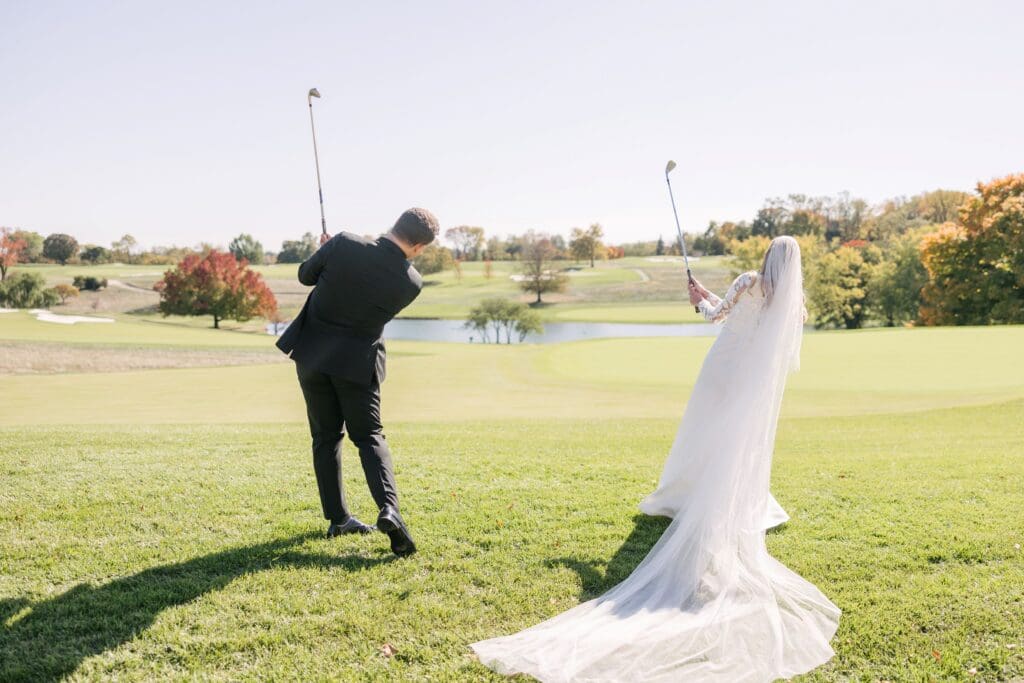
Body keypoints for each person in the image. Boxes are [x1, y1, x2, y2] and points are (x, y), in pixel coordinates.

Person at [472, 236, 840, 681]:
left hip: (722, 369)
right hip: (750, 385)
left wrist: (699, 301)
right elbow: (753, 318)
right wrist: (705, 293)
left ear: (768, 257)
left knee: (702, 434)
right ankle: (713, 495)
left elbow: (719, 315)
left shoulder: (749, 280)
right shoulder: (793, 305)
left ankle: (686, 493)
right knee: (731, 444)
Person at [276, 208, 439, 557]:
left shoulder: (343, 244)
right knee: (368, 437)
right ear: (418, 247)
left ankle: (338, 520)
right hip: (356, 365)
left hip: (312, 356)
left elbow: (306, 276)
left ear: (395, 225)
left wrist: (325, 252)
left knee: (325, 437)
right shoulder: (411, 283)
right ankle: (389, 509)